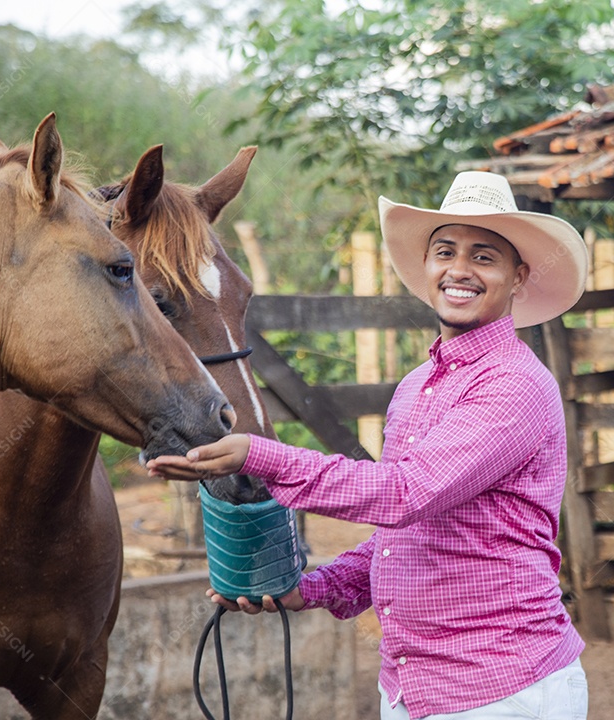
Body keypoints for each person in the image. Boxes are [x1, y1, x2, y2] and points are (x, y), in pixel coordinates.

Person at [147, 170, 590, 719]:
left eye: (483, 257)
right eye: (446, 251)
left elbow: (405, 494)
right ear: (426, 266)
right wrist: (310, 589)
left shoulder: (514, 384)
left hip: (501, 688)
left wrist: (260, 456)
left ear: (518, 277)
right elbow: (402, 537)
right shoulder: (416, 386)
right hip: (410, 687)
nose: (459, 269)